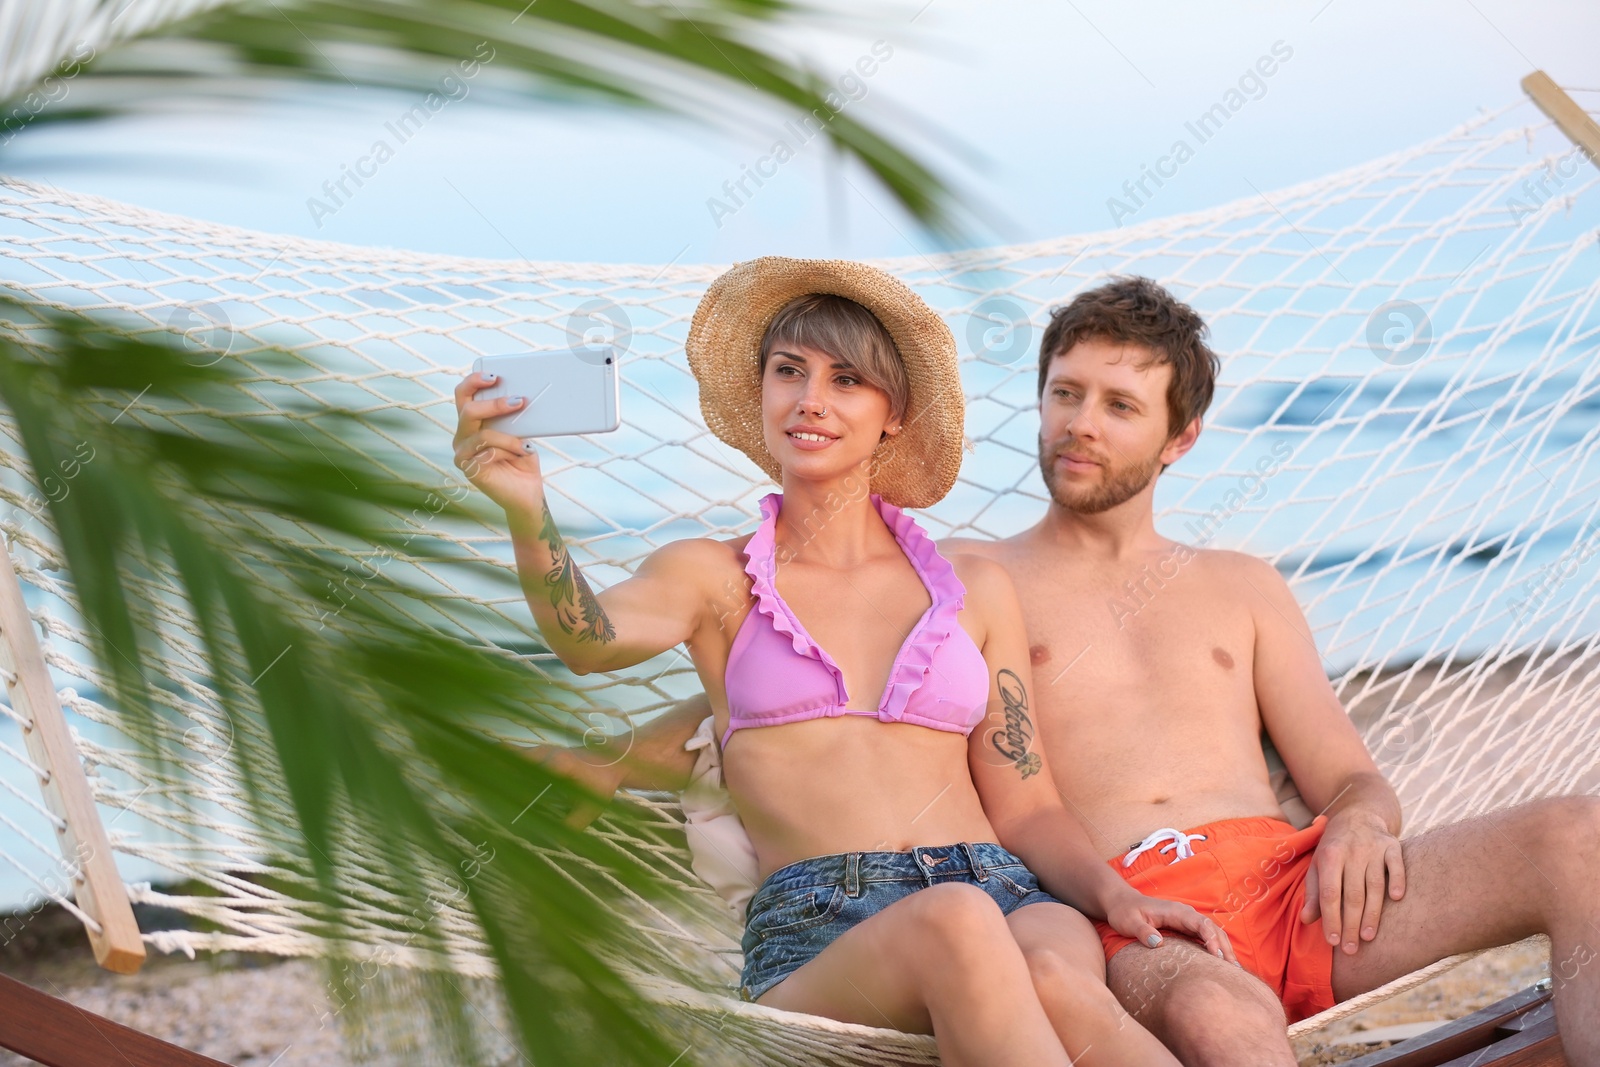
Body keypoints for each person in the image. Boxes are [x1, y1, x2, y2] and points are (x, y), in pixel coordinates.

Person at [549, 274, 1600, 1067]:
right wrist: (609, 762)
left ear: (1180, 438)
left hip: (1259, 883)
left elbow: (1340, 772)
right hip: (1107, 903)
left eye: (1117, 405)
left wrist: (1366, 816)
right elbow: (793, 685)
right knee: (1200, 1013)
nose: (1079, 424)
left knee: (1579, 836)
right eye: (1063, 394)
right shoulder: (970, 575)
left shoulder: (1229, 583)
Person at [454, 257, 1230, 1066]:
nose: (810, 399)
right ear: (760, 392)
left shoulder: (973, 588)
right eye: (789, 371)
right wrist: (526, 508)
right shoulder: (714, 579)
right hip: (821, 926)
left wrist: (1117, 895)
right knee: (957, 923)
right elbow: (586, 639)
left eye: (847, 379)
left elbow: (1027, 804)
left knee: (1055, 975)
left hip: (1003, 887)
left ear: (893, 413)